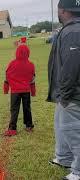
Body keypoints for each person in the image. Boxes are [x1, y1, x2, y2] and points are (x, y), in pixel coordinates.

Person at [47, 0, 80, 179]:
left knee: (73, 130)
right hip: (66, 93)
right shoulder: (71, 28)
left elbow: (72, 66)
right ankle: (64, 158)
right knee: (61, 126)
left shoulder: (73, 31)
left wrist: (65, 94)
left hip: (72, 94)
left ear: (63, 10)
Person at [3, 45, 36, 136]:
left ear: (16, 52)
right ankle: (29, 125)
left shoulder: (12, 64)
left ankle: (12, 129)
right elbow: (32, 79)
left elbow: (7, 76)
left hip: (15, 92)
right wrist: (33, 91)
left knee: (14, 109)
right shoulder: (31, 65)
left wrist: (6, 89)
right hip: (26, 90)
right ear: (28, 53)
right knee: (27, 108)